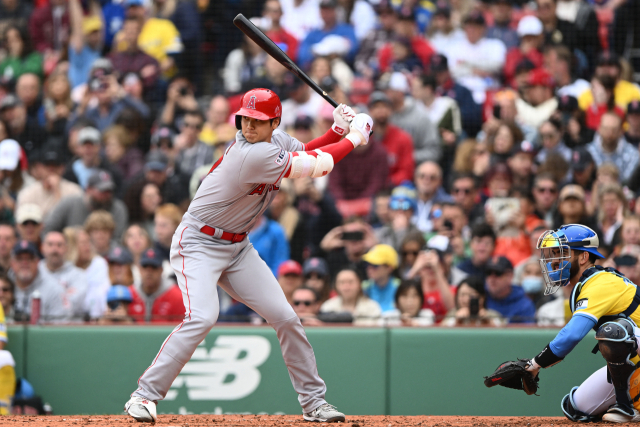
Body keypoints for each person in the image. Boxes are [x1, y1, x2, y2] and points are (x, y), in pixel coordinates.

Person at [124, 88, 374, 423]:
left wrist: (337, 131)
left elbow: (309, 150)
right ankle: (144, 396)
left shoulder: (276, 141)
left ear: (275, 122)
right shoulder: (249, 154)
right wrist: (357, 136)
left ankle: (314, 403)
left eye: (257, 120)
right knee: (202, 316)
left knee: (286, 318)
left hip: (237, 246)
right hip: (199, 241)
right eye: (245, 118)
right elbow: (320, 165)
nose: (248, 126)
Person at [502, 224, 640, 421]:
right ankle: (631, 398)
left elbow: (573, 334)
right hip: (635, 359)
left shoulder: (601, 282)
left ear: (583, 257)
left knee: (613, 332)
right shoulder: (584, 285)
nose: (555, 261)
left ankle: (627, 407)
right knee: (578, 407)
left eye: (562, 253)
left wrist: (535, 364)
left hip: (636, 345)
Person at [44, 170, 129, 239]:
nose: (106, 195)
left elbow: (118, 239)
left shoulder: (118, 208)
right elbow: (48, 228)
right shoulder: (69, 203)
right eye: (102, 191)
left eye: (109, 191)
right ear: (88, 189)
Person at [386, 72, 441, 164]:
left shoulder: (420, 117)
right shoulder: (381, 117)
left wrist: (405, 156)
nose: (385, 94)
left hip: (413, 170)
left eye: (388, 91)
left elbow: (434, 152)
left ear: (399, 92)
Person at [366, 91, 415, 186]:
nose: (381, 110)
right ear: (370, 111)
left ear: (391, 110)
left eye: (385, 106)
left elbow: (406, 171)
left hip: (393, 186)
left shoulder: (403, 138)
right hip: (367, 186)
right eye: (376, 107)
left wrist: (388, 182)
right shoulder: (363, 136)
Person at [38, 231, 88, 321]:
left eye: (59, 245)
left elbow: (71, 305)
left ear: (66, 248)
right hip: (39, 326)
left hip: (69, 328)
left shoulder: (78, 275)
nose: (55, 249)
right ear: (42, 248)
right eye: (50, 244)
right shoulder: (35, 272)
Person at [127, 248, 183, 323]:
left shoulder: (177, 296)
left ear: (161, 270)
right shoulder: (129, 294)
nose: (149, 272)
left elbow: (182, 330)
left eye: (154, 267)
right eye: (145, 267)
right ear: (139, 269)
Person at [587, 112, 640, 185]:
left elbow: (629, 183)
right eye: (606, 128)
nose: (609, 133)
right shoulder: (588, 152)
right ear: (599, 128)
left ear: (621, 131)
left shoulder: (632, 155)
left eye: (614, 129)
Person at [484, 256, 536, 323]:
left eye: (498, 273)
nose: (492, 278)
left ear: (510, 276)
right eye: (488, 273)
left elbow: (528, 332)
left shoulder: (524, 305)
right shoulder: (481, 296)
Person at [413, 161, 454, 233]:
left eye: (432, 178)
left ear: (440, 181)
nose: (427, 181)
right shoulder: (407, 198)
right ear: (415, 178)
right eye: (422, 176)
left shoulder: (448, 203)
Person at [360, 244, 400, 313]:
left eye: (375, 265)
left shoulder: (400, 287)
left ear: (389, 268)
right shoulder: (363, 287)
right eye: (367, 264)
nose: (369, 268)